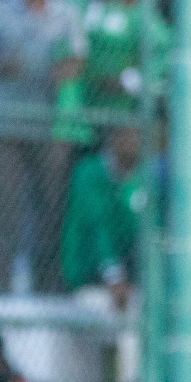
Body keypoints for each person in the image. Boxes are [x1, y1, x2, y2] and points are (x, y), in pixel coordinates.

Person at [0, 0, 86, 293]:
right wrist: (7, 65)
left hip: (49, 126)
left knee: (51, 209)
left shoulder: (67, 13)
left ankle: (46, 287)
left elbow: (77, 61)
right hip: (2, 125)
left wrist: (56, 71)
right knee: (3, 209)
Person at [62, 125, 147, 309]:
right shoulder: (88, 172)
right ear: (115, 138)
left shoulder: (140, 177)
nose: (137, 142)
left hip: (127, 279)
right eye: (131, 134)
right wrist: (115, 279)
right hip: (87, 277)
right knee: (98, 305)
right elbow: (98, 229)